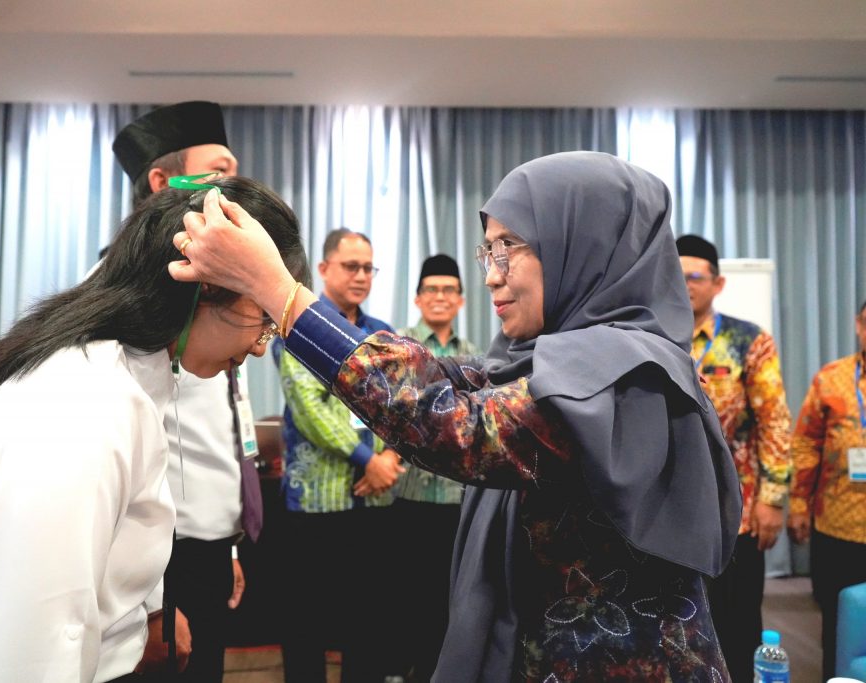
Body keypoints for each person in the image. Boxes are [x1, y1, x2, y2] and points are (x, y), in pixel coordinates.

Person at [171, 151, 742, 682]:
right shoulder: (553, 358)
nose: (491, 274)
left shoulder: (622, 374)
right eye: (487, 250)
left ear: (583, 246)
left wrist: (278, 292)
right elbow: (443, 379)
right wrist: (287, 298)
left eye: (509, 247)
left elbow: (449, 424)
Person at [0, 177, 309, 683]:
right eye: (263, 319)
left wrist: (152, 608)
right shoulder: (84, 404)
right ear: (205, 285)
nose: (260, 346)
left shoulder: (124, 369)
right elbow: (37, 639)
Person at [112, 101, 257, 682]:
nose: (235, 186)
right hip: (161, 555)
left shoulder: (216, 285)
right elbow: (130, 460)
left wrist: (229, 545)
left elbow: (219, 425)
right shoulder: (128, 293)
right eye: (220, 170)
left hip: (210, 540)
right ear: (163, 182)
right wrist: (148, 603)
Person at [269, 228, 404, 682]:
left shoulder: (381, 333)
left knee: (369, 626)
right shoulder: (299, 327)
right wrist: (370, 460)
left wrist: (387, 462)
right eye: (351, 266)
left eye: (368, 267)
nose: (361, 275)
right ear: (324, 269)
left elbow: (399, 405)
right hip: (317, 503)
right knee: (306, 625)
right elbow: (311, 410)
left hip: (375, 501)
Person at [675, 234, 792, 683]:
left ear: (717, 283)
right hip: (672, 513)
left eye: (695, 276)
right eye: (677, 275)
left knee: (738, 622)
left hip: (736, 511)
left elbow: (775, 421)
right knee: (677, 626)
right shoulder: (653, 336)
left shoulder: (748, 341)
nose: (685, 285)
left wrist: (772, 498)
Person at [391, 254, 479, 682]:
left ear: (461, 300)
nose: (440, 297)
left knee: (452, 603)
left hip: (456, 502)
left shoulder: (474, 356)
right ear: (417, 298)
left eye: (448, 290)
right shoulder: (401, 347)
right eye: (432, 289)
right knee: (407, 600)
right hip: (408, 499)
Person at [788, 299, 866, 680]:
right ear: (858, 326)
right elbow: (805, 445)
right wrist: (798, 504)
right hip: (837, 524)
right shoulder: (831, 379)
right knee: (839, 620)